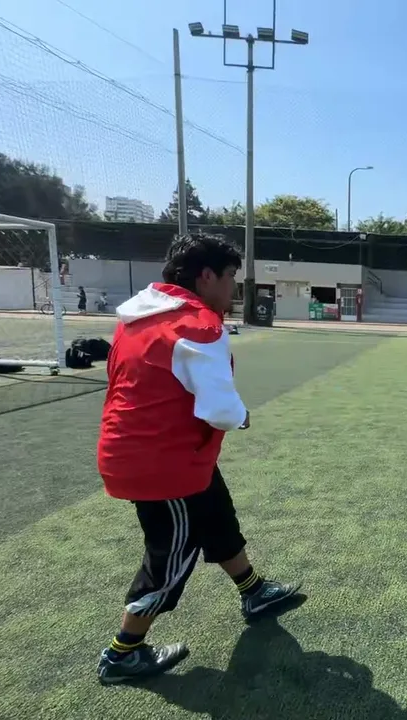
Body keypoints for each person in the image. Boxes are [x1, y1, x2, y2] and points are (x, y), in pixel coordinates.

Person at [95, 235, 299, 684]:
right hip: (162, 463)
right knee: (170, 556)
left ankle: (254, 590)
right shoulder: (198, 325)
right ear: (206, 276)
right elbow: (221, 410)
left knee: (216, 514)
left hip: (154, 449)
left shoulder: (138, 317)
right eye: (230, 277)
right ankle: (123, 652)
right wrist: (241, 416)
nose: (234, 288)